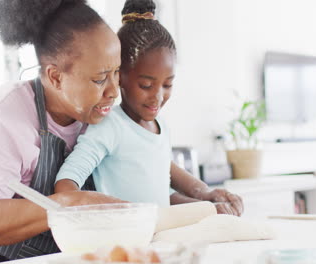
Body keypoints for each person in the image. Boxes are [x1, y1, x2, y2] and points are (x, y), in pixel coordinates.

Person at [0, 0, 124, 263]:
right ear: (55, 77)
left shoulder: (99, 116)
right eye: (99, 79)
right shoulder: (3, 118)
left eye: (117, 73)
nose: (114, 91)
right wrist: (68, 205)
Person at [55, 0, 243, 216]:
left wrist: (208, 199)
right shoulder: (110, 126)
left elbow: (162, 197)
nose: (158, 97)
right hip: (125, 240)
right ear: (120, 77)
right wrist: (115, 210)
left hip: (159, 237)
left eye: (167, 84)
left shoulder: (160, 126)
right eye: (145, 85)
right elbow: (65, 184)